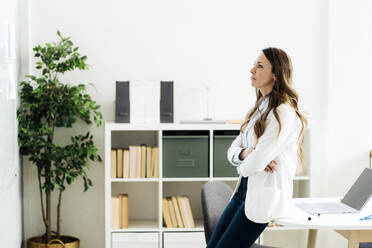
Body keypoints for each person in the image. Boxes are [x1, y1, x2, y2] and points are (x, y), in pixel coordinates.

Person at [206, 47, 308, 248]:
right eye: (254, 65)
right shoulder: (260, 107)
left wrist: (251, 160)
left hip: (262, 199)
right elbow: (233, 149)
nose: (252, 70)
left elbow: (253, 165)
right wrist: (247, 153)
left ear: (276, 74)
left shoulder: (283, 113)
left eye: (259, 66)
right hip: (243, 194)